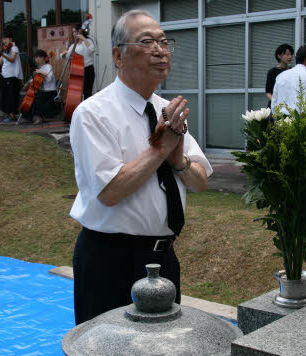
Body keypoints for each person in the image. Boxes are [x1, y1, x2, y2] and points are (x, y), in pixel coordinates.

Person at [69, 9, 212, 325]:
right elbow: (109, 191)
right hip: (110, 258)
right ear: (118, 56)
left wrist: (178, 161)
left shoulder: (167, 111)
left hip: (163, 258)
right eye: (147, 42)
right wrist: (162, 148)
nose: (160, 50)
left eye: (164, 41)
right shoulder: (93, 114)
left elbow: (200, 180)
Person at [0, 33, 23, 122]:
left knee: (11, 96)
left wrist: (2, 53)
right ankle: (8, 114)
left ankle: (12, 114)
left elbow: (12, 59)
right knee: (5, 95)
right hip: (4, 75)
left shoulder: (14, 48)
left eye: (6, 38)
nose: (4, 40)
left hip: (12, 75)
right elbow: (1, 61)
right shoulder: (5, 50)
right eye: (3, 39)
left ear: (10, 39)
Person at [60, 23, 96, 99]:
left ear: (81, 31)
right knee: (77, 92)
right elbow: (67, 56)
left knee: (87, 92)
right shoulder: (73, 45)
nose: (74, 34)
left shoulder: (88, 41)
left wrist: (83, 39)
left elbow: (92, 49)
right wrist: (63, 54)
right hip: (77, 71)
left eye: (75, 32)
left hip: (88, 69)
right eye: (73, 32)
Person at [22, 49, 56, 124]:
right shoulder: (39, 68)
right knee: (29, 98)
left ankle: (37, 117)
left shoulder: (48, 66)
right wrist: (27, 84)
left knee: (36, 98)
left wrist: (41, 72)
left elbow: (49, 78)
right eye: (36, 57)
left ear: (43, 58)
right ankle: (27, 117)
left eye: (39, 57)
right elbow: (34, 80)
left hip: (50, 91)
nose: (36, 59)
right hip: (42, 91)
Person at [265, 43, 293, 108]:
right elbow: (268, 92)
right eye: (287, 54)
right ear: (279, 56)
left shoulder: (292, 70)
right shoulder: (272, 72)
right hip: (276, 106)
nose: (290, 57)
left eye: (291, 54)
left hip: (290, 106)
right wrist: (276, 103)